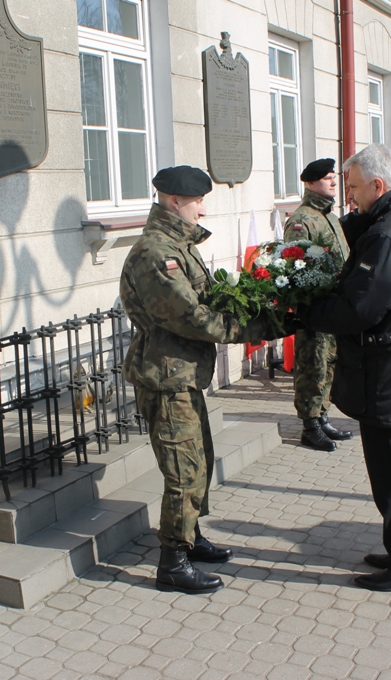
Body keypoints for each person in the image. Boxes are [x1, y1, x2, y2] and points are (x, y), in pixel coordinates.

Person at [120, 165, 281, 594]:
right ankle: (172, 561)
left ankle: (189, 537)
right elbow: (192, 316)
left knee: (199, 462)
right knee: (183, 472)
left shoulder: (177, 245)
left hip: (183, 375)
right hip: (166, 377)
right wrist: (256, 328)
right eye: (198, 202)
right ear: (176, 202)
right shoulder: (158, 254)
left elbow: (205, 298)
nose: (203, 211)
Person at [303, 144, 391, 592]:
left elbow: (360, 309)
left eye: (356, 188)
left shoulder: (390, 235)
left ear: (379, 186)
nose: (351, 197)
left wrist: (305, 313)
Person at [284, 159, 351, 451]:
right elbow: (294, 265)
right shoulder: (303, 219)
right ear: (310, 184)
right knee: (312, 364)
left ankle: (322, 417)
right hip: (314, 308)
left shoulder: (330, 217)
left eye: (334, 177)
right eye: (327, 178)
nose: (333, 182)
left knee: (328, 362)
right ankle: (309, 425)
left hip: (333, 307)